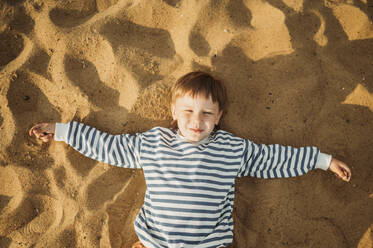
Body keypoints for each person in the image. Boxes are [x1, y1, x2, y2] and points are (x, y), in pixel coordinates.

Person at [29, 71, 351, 248]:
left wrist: (321, 160)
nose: (197, 121)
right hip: (154, 242)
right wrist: (61, 131)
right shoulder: (154, 143)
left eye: (207, 113)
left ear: (219, 116)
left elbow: (272, 159)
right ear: (174, 113)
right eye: (188, 111)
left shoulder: (232, 149)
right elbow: (109, 147)